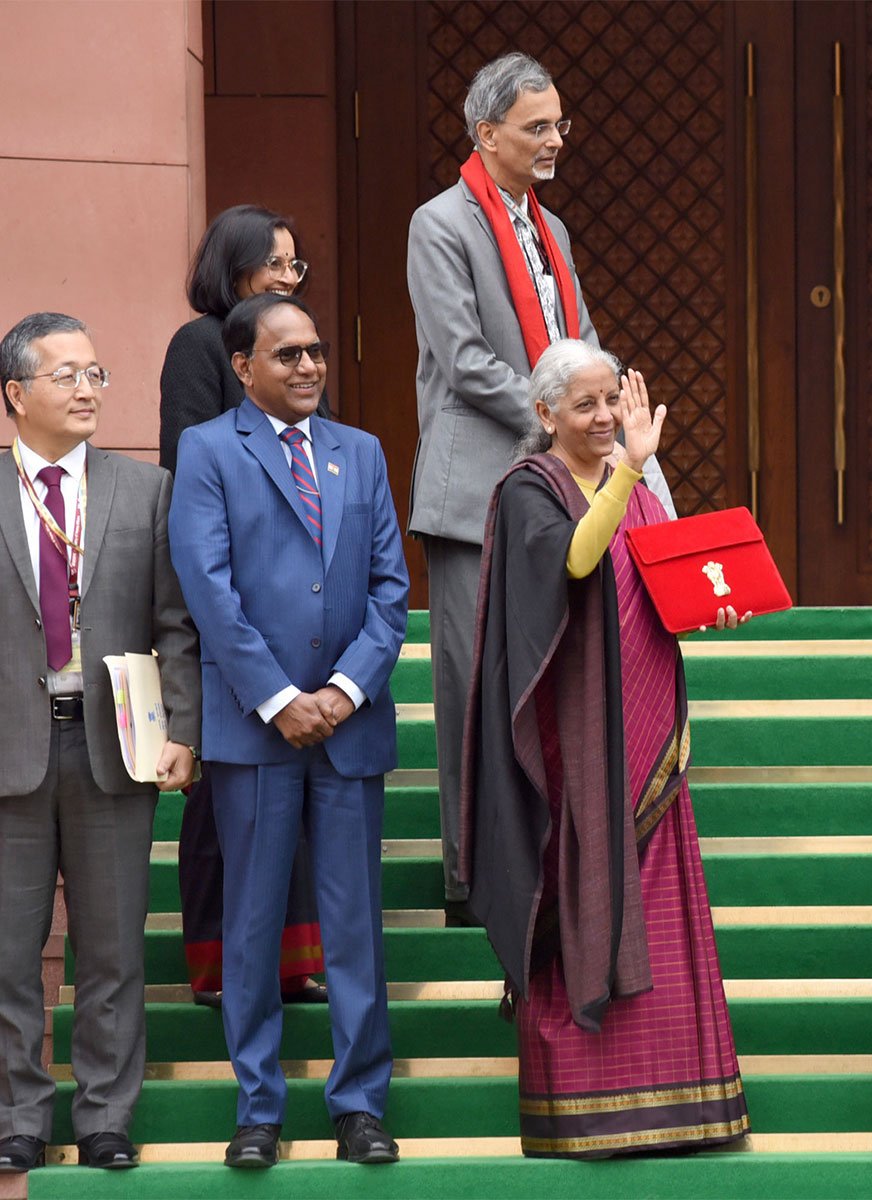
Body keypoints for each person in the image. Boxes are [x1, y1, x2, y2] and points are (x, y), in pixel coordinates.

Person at [460, 338, 748, 1158]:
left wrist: (713, 602)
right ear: (544, 413)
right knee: (587, 892)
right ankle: (588, 1107)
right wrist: (632, 466)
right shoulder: (530, 489)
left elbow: (664, 582)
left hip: (648, 728)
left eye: (610, 402)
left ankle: (681, 1100)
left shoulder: (640, 488)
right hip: (575, 743)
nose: (602, 418)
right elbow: (577, 562)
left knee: (658, 904)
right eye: (584, 405)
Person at [407, 51, 675, 925]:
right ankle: (466, 876)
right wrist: (563, 422)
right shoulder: (439, 224)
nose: (558, 139)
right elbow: (464, 360)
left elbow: (582, 340)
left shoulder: (549, 230)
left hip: (565, 479)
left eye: (558, 123)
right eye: (538, 127)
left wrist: (611, 414)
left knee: (559, 678)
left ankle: (558, 859)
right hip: (477, 493)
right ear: (488, 135)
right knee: (470, 682)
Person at [168, 294, 408, 1170]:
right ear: (243, 368)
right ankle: (258, 1111)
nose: (308, 367)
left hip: (349, 728)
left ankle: (359, 1106)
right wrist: (278, 697)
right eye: (287, 356)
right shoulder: (206, 451)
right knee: (254, 922)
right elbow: (209, 588)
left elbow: (391, 590)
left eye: (315, 352)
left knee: (355, 927)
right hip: (254, 731)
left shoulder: (362, 452)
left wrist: (343, 692)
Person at [0, 312, 199, 1174]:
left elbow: (176, 624)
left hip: (114, 746)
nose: (87, 390)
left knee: (113, 948)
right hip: (9, 752)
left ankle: (106, 1117)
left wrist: (184, 729)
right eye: (65, 375)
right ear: (16, 394)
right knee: (9, 953)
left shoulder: (142, 490)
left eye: (96, 374)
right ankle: (17, 1116)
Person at [159, 203, 328, 1009]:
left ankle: (292, 959)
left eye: (297, 266)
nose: (291, 278)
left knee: (290, 795)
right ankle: (220, 965)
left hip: (297, 602)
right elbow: (191, 467)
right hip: (227, 597)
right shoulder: (201, 345)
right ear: (235, 275)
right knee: (222, 794)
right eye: (276, 265)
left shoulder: (293, 347)